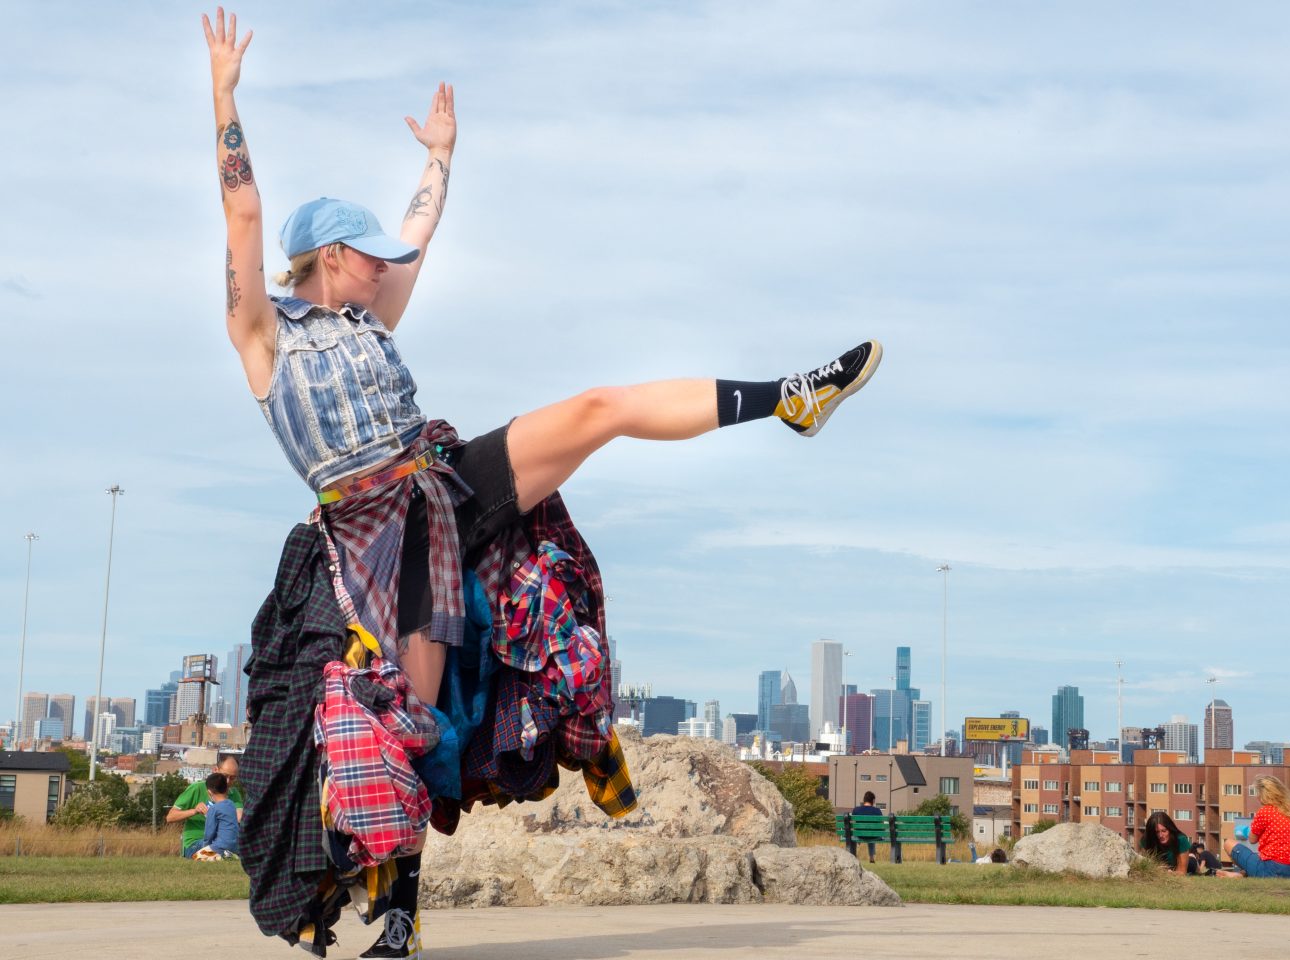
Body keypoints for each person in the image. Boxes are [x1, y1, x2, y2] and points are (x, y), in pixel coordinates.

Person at [203, 10, 882, 958]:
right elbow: (242, 214)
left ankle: (792, 397)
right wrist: (226, 97)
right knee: (415, 724)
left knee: (596, 409)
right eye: (368, 257)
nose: (385, 268)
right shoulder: (264, 340)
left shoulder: (369, 314)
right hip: (366, 538)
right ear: (329, 258)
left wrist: (442, 154)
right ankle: (396, 911)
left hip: (439, 487)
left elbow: (419, 233)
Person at [1218, 775, 1290, 879]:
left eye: (1257, 793)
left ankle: (1243, 874)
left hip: (1274, 870)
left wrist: (1247, 831)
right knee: (1258, 857)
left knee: (1228, 843)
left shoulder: (1266, 811)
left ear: (1263, 794)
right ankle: (1241, 875)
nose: (1256, 797)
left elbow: (1252, 839)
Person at [167, 754, 244, 858]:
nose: (228, 781)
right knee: (214, 847)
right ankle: (223, 855)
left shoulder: (234, 793)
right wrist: (194, 811)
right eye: (225, 776)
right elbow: (170, 817)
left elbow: (240, 817)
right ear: (215, 770)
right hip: (196, 843)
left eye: (233, 778)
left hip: (222, 842)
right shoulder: (197, 788)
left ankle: (224, 855)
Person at [193, 772, 241, 860]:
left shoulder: (213, 809)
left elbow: (209, 832)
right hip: (235, 846)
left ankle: (221, 857)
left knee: (196, 856)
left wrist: (205, 846)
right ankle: (230, 855)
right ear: (226, 789)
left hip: (220, 846)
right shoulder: (231, 805)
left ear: (209, 792)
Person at [851, 791, 884, 863]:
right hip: (874, 836)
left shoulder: (856, 810)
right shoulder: (877, 811)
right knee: (871, 834)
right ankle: (871, 858)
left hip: (860, 835)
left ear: (864, 800)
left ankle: (853, 856)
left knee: (866, 833)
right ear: (873, 801)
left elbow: (852, 823)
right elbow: (882, 825)